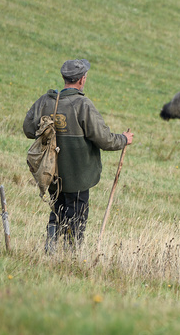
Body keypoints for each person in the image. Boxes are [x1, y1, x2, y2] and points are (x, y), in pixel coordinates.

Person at [23, 59, 133, 253]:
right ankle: (72, 256)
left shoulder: (46, 101)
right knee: (77, 216)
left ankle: (51, 250)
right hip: (78, 175)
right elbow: (105, 139)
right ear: (82, 79)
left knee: (57, 211)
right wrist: (123, 139)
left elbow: (28, 129)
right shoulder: (82, 104)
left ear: (65, 78)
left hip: (52, 172)